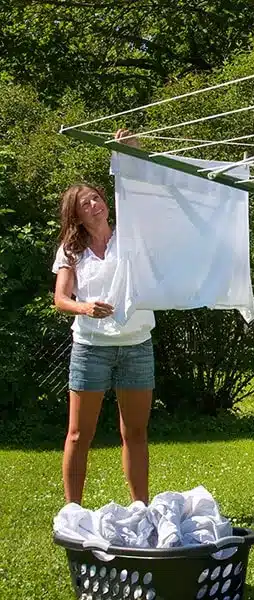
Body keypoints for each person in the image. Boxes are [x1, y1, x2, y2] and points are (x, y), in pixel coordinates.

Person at [53, 129, 155, 506]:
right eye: (86, 203)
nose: (95, 204)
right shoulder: (72, 248)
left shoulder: (130, 234)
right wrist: (85, 308)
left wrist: (131, 154)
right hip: (91, 348)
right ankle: (72, 511)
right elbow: (61, 299)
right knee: (79, 434)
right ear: (76, 215)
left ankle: (141, 507)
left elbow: (143, 197)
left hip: (136, 346)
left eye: (96, 198)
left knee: (136, 433)